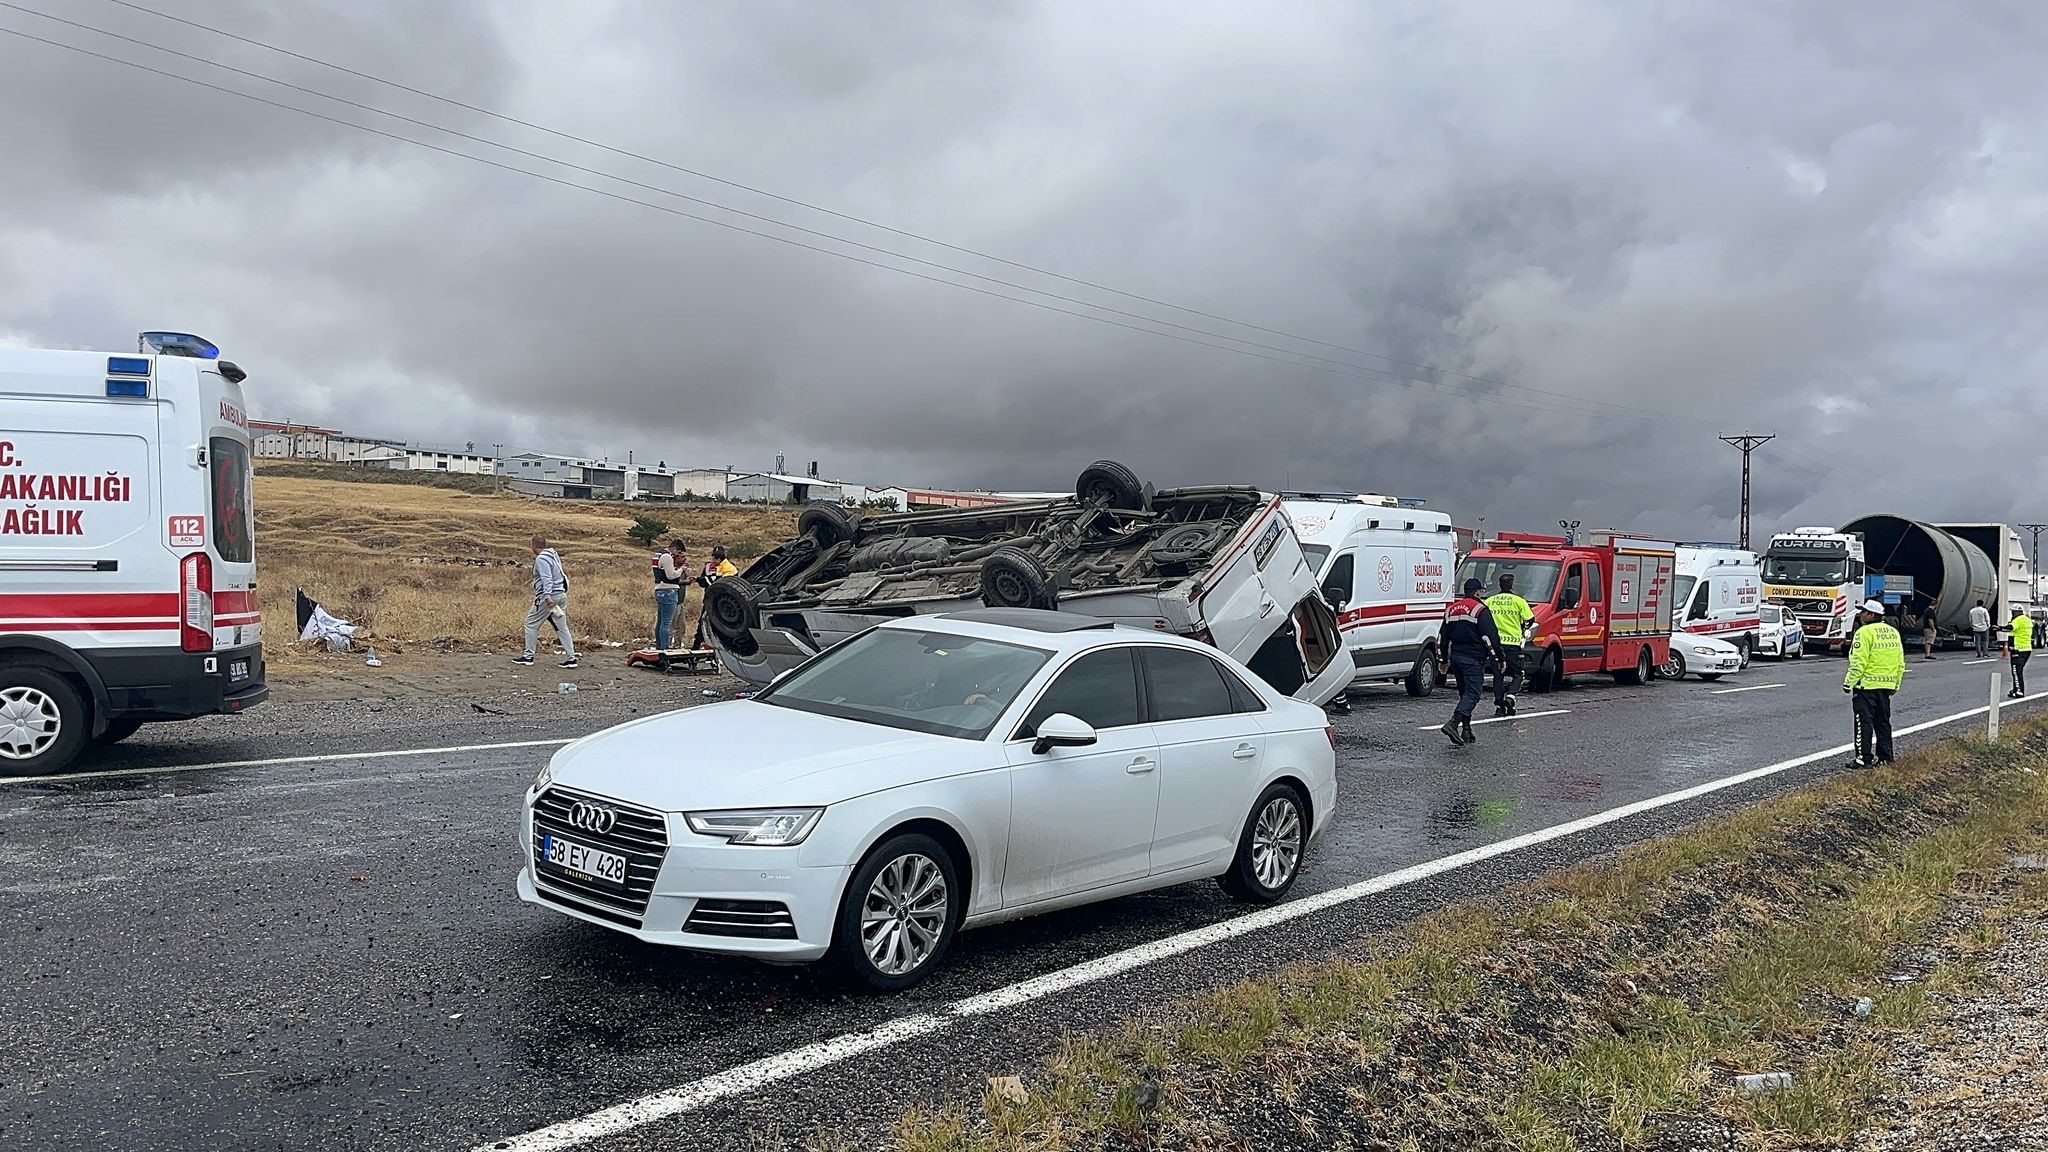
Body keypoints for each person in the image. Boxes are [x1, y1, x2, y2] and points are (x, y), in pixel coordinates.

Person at [1843, 598, 1905, 768]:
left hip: (1865, 686)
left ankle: (1864, 758)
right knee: (1883, 722)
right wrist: (1896, 684)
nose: (1861, 614)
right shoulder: (1893, 632)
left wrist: (1849, 683)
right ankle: (1886, 757)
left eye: (1863, 612)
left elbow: (1858, 661)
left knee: (1864, 722)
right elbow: (1900, 662)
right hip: (1886, 687)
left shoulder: (1864, 633)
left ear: (1871, 615)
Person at [1437, 578, 1499, 747]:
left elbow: (1443, 638)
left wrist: (1443, 660)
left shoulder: (1451, 610)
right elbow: (1490, 637)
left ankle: (1466, 729)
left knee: (1464, 694)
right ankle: (1453, 723)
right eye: (1481, 591)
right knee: (1472, 694)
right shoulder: (1480, 610)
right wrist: (1499, 658)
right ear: (1478, 592)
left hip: (1456, 658)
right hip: (1473, 659)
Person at [516, 535, 577, 668]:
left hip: (549, 597)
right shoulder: (553, 556)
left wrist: (547, 597)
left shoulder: (541, 559)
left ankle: (528, 656)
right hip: (560, 594)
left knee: (531, 624)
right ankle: (571, 657)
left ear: (534, 546)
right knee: (561, 627)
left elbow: (546, 578)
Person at [1484, 573, 1533, 716]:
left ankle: (1499, 706)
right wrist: (1522, 627)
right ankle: (1511, 697)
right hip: (1513, 643)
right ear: (1512, 585)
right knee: (1518, 674)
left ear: (1499, 585)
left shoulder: (1490, 601)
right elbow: (1530, 619)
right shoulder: (1519, 601)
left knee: (1498, 675)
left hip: (1495, 644)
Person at [687, 545, 740, 650]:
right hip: (715, 600)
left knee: (715, 624)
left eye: (714, 558)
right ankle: (698, 646)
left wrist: (699, 579)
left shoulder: (728, 568)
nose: (713, 561)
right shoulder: (720, 566)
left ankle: (713, 647)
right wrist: (699, 579)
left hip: (720, 601)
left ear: (719, 559)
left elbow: (718, 582)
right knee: (705, 622)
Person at [652, 538, 689, 650]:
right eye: (678, 552)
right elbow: (671, 575)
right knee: (666, 623)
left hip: (661, 590)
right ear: (673, 548)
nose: (677, 555)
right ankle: (664, 648)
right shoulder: (667, 557)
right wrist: (681, 570)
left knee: (660, 622)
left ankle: (659, 646)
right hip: (669, 591)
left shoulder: (658, 555)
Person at [2008, 604, 2033, 698]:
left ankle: (2019, 691)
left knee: (2016, 671)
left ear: (2016, 612)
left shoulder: (2017, 620)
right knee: (2018, 671)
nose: (2012, 613)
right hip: (2026, 648)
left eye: (2013, 612)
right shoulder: (2027, 620)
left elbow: (2010, 627)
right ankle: (2015, 689)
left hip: (2018, 649)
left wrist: (2000, 628)